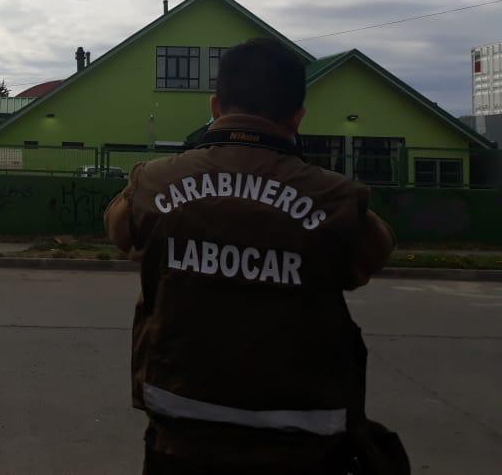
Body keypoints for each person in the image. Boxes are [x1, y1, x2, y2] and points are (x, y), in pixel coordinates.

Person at [104, 38, 400, 475]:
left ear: (215, 106)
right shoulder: (336, 198)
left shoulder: (154, 183)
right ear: (298, 116)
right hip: (303, 445)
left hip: (181, 439)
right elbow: (371, 257)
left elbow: (121, 234)